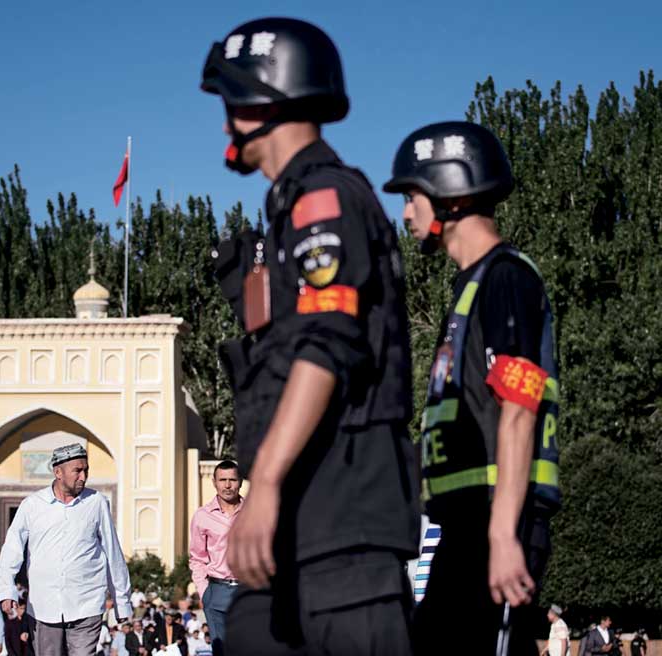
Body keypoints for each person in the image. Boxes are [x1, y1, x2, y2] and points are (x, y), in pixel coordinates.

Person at [201, 17, 419, 654]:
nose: (224, 126)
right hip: (296, 531)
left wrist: (261, 485)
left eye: (232, 106)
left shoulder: (325, 198)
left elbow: (327, 343)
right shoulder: (291, 212)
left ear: (267, 102)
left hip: (344, 526)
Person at [384, 121, 563, 655]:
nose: (407, 212)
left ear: (452, 196)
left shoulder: (505, 279)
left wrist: (504, 535)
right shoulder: (469, 289)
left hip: (495, 521)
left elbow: (519, 407)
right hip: (463, 527)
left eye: (413, 195)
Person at [0, 443, 132, 656]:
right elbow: (11, 549)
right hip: (43, 607)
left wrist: (121, 602)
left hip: (86, 603)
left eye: (86, 470)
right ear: (58, 472)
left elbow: (113, 553)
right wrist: (6, 589)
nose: (83, 476)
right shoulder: (33, 505)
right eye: (77, 470)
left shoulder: (96, 503)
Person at [188, 460, 241, 656]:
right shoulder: (202, 516)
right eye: (223, 480)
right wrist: (204, 592)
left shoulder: (254, 512)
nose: (228, 485)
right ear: (214, 482)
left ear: (240, 481)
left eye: (232, 480)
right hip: (217, 591)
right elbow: (197, 558)